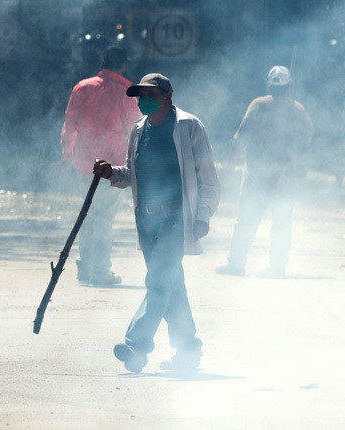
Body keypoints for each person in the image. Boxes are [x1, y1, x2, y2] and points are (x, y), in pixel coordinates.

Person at [93, 73, 220, 373]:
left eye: (149, 94)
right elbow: (133, 174)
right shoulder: (139, 129)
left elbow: (209, 181)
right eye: (138, 95)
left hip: (176, 219)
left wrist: (202, 217)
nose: (142, 100)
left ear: (166, 96)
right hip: (146, 219)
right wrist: (112, 173)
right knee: (172, 286)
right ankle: (188, 350)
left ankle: (137, 345)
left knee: (159, 282)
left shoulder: (189, 127)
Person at [217, 66, 313, 277]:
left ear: (269, 85)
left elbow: (240, 138)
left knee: (247, 221)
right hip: (285, 178)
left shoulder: (258, 105)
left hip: (257, 177)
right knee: (281, 224)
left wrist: (230, 165)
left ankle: (236, 264)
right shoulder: (297, 109)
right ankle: (277, 267)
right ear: (290, 87)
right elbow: (308, 138)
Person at [60, 45, 142, 286]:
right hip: (112, 168)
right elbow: (135, 130)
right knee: (104, 219)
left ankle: (85, 268)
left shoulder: (82, 87)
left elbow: (70, 124)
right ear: (124, 64)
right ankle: (101, 271)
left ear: (103, 62)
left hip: (84, 165)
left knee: (88, 214)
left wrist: (66, 154)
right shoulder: (126, 92)